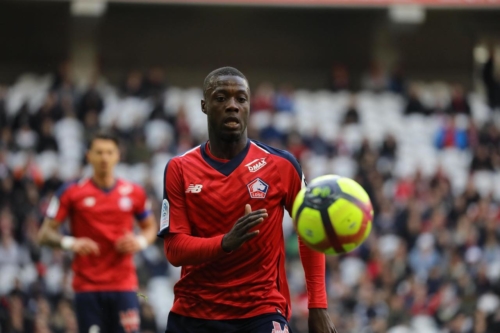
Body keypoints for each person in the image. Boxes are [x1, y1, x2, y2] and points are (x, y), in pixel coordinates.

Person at [158, 67, 337, 333]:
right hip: (195, 312)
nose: (232, 106)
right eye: (221, 98)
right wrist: (225, 243)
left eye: (241, 99)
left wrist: (318, 306)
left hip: (261, 311)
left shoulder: (282, 165)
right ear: (204, 106)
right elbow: (174, 250)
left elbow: (309, 231)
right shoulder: (180, 168)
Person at [37, 132, 157, 333]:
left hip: (124, 284)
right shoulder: (70, 192)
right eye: (99, 152)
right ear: (88, 156)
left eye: (109, 152)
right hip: (88, 287)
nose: (104, 158)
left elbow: (151, 227)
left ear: (118, 156)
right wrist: (70, 243)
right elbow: (44, 234)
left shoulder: (134, 192)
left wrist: (140, 242)